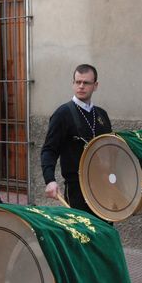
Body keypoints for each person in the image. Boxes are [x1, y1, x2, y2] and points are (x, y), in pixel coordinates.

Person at [40, 64, 112, 213]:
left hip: (103, 187)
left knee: (103, 232)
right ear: (73, 83)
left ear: (95, 85)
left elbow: (110, 150)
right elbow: (49, 150)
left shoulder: (101, 115)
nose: (81, 86)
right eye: (77, 82)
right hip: (77, 190)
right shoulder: (63, 114)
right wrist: (50, 180)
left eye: (86, 83)